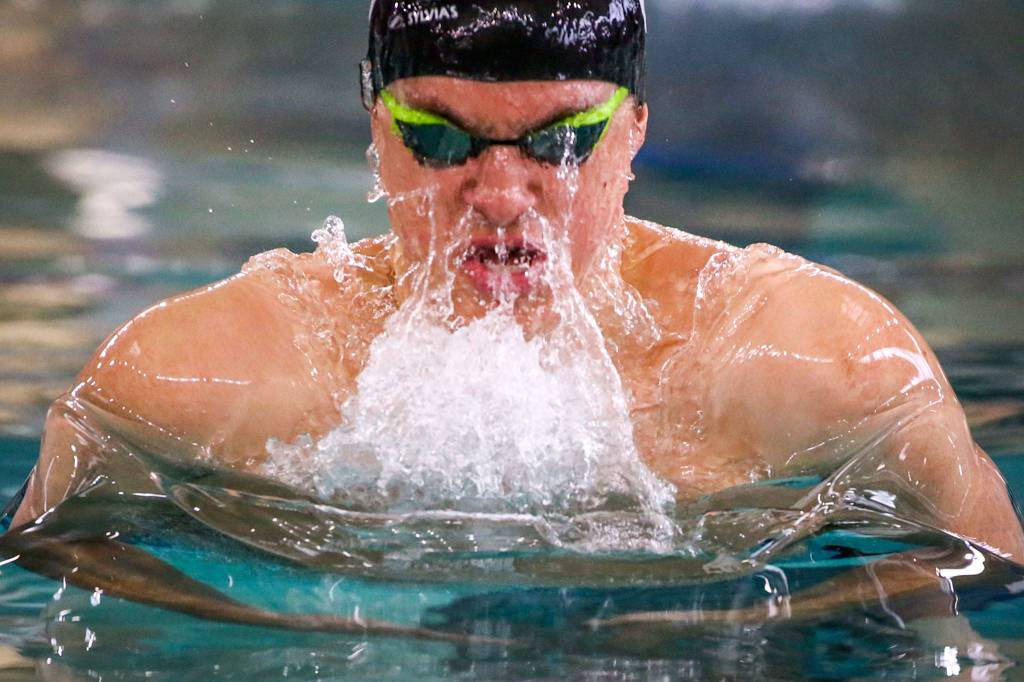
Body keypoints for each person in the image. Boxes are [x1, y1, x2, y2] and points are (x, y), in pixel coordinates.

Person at [10, 0, 1024, 561]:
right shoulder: (185, 382)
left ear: (635, 126)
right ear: (373, 127)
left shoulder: (823, 364)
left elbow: (984, 606)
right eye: (438, 137)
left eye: (560, 142)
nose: (499, 190)